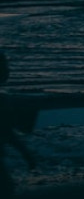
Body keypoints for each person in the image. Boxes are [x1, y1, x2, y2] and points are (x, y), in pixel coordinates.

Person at [1, 53, 35, 199]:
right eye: (4, 66)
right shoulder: (3, 101)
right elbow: (7, 132)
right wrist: (26, 153)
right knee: (6, 188)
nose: (8, 70)